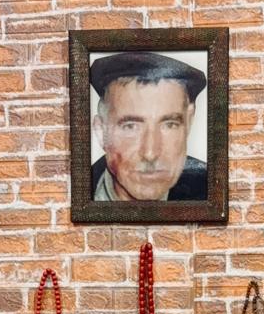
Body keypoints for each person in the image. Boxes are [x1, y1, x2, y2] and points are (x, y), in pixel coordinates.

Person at [89, 51, 208, 203]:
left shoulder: (213, 191)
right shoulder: (70, 195)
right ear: (101, 132)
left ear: (189, 123)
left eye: (169, 125)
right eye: (130, 126)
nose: (150, 153)